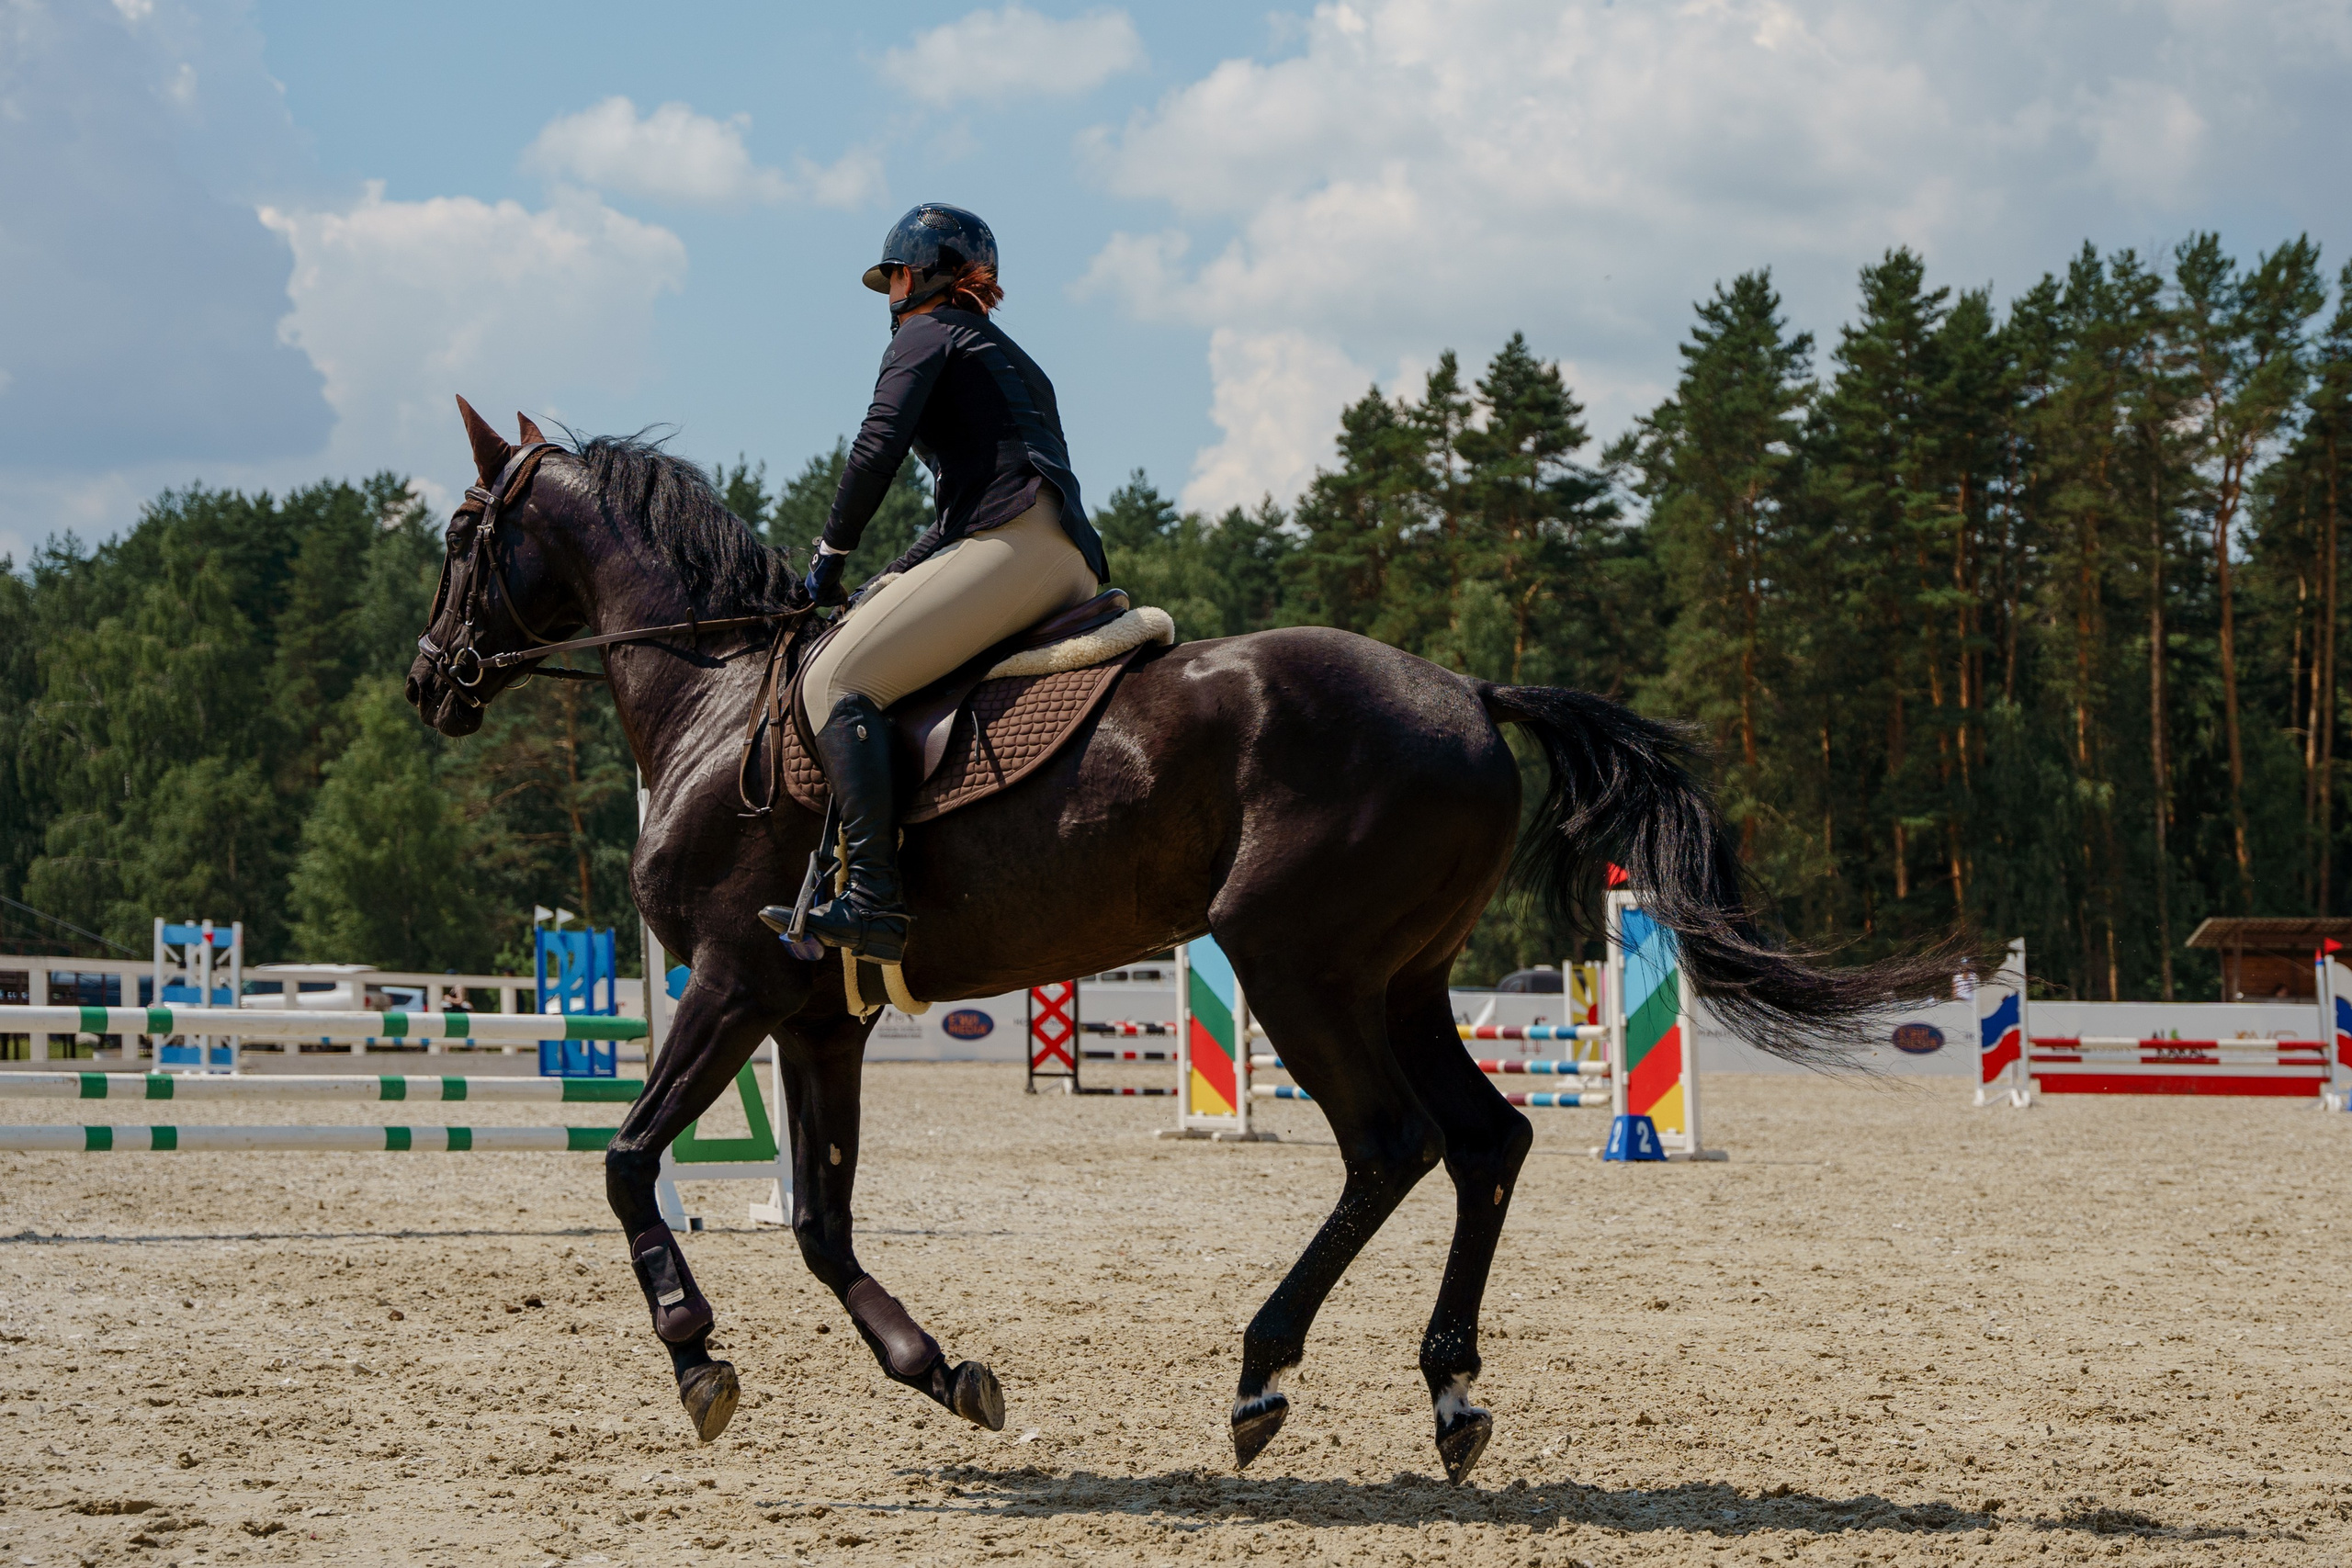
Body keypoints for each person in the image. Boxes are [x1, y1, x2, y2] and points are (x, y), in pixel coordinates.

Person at [760, 204, 1108, 964]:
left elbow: (876, 448)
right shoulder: (1003, 349)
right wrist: (888, 578)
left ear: (911, 276)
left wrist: (831, 555)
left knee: (837, 680)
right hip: (1061, 556)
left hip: (1013, 545)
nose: (889, 296)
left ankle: (873, 899)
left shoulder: (923, 333)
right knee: (871, 629)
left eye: (892, 280)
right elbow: (963, 505)